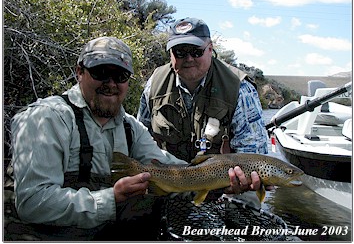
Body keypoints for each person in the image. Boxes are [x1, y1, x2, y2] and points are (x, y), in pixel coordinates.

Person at [10, 36, 262, 241]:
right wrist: (111, 198)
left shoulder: (131, 128)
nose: (110, 83)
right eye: (100, 72)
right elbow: (33, 203)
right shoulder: (46, 119)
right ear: (80, 72)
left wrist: (218, 184)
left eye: (119, 76)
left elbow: (174, 172)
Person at [137, 17, 268, 163]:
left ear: (210, 49)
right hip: (166, 180)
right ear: (171, 54)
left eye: (196, 51)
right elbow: (140, 142)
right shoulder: (154, 84)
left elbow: (253, 156)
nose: (189, 58)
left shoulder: (239, 88)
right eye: (180, 52)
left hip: (221, 182)